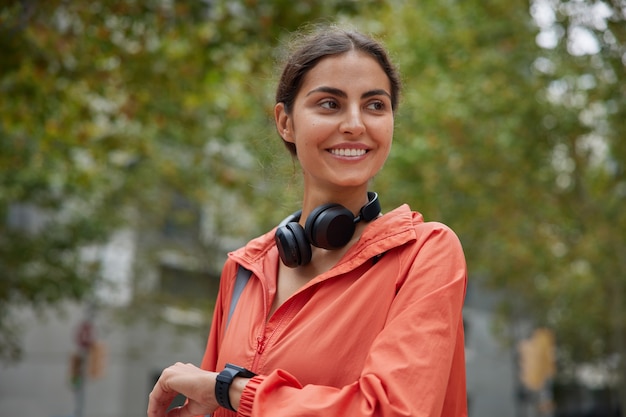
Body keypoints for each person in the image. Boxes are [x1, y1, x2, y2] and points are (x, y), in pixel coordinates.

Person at [148, 25, 468, 417]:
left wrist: (233, 390)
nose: (355, 123)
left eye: (375, 105)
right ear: (285, 122)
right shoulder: (244, 269)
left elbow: (390, 411)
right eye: (330, 104)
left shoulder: (425, 253)